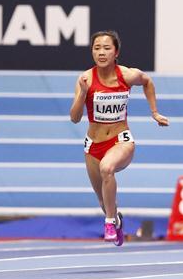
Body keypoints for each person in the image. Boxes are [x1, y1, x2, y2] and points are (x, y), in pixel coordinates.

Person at [70, 30, 169, 246]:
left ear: (116, 52)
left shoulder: (127, 75)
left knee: (107, 168)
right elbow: (75, 118)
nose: (101, 52)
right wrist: (83, 95)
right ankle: (115, 218)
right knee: (104, 201)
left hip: (120, 141)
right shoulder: (85, 79)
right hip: (92, 145)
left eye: (107, 48)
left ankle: (108, 223)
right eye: (97, 48)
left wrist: (154, 112)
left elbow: (147, 81)